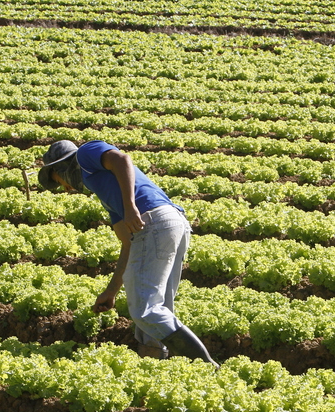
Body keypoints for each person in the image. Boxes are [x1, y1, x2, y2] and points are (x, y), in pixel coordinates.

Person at [38, 139, 218, 367]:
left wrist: (131, 206)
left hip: (154, 221)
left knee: (145, 310)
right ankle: (154, 363)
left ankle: (205, 365)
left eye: (58, 180)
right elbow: (129, 244)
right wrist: (111, 291)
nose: (65, 188)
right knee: (158, 308)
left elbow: (122, 159)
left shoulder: (85, 154)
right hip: (172, 224)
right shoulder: (106, 193)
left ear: (61, 167)